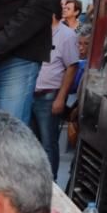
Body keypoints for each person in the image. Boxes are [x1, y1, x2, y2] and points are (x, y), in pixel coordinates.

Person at [30, 12, 79, 178]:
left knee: (48, 142)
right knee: (30, 141)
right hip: (30, 92)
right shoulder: (36, 31)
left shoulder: (67, 35)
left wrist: (60, 98)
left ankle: (50, 184)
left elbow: (72, 67)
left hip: (50, 95)